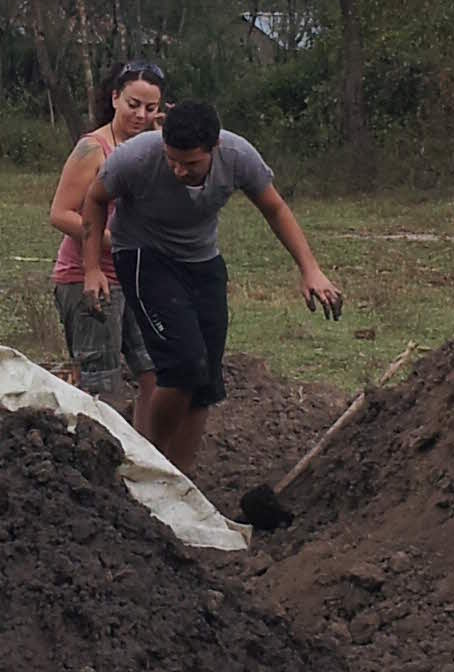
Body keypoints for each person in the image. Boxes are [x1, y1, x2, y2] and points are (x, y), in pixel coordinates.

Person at [79, 99, 343, 479]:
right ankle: (149, 463)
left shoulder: (238, 155)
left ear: (214, 147)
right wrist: (91, 269)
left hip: (202, 261)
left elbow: (275, 208)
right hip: (143, 256)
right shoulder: (135, 158)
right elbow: (94, 199)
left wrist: (311, 269)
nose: (179, 169)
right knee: (183, 365)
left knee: (204, 379)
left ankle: (182, 478)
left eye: (191, 164)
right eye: (173, 160)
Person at [46, 60, 166, 413]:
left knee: (156, 373)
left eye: (150, 108)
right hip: (89, 277)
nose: (140, 115)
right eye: (133, 105)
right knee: (100, 387)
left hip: (139, 280)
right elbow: (61, 213)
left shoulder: (157, 150)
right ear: (115, 98)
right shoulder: (93, 149)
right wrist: (115, 240)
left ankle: (146, 454)